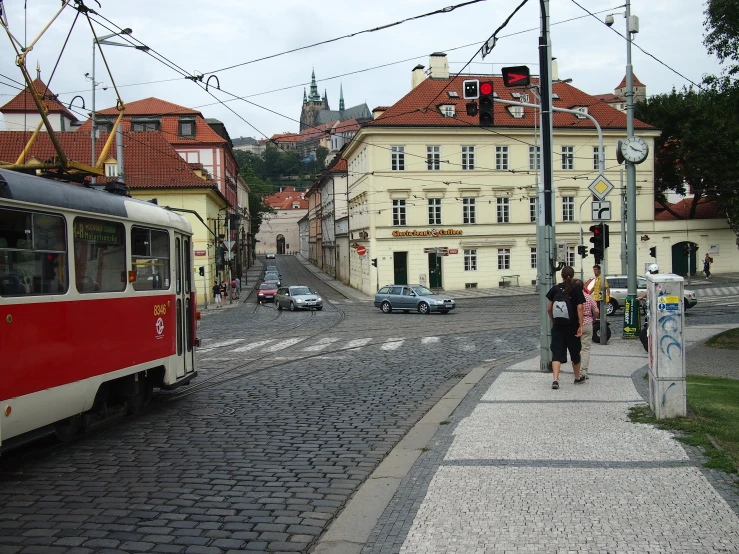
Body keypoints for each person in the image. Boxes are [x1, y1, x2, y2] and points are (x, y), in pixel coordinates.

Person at [546, 265, 586, 389]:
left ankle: (555, 380)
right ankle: (577, 377)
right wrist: (580, 325)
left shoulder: (555, 289)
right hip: (572, 327)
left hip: (558, 327)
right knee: (575, 352)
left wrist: (553, 320)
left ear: (561, 275)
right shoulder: (576, 289)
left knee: (557, 353)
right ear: (572, 275)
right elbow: (580, 308)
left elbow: (548, 308)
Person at [574, 279, 599, 380]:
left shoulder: (573, 297)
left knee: (575, 348)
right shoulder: (588, 297)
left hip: (576, 324)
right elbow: (596, 310)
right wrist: (593, 319)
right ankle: (584, 371)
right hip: (588, 322)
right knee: (586, 349)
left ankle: (576, 370)